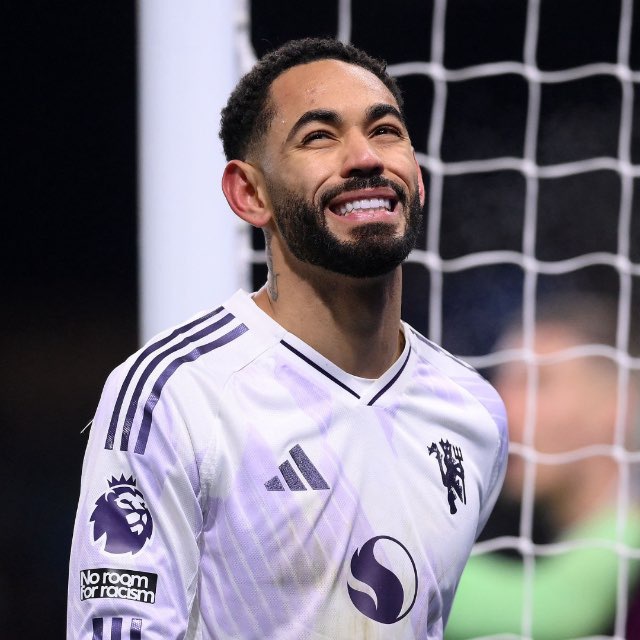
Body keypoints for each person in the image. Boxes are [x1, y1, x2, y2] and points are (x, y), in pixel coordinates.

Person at [67, 38, 508, 639]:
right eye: (319, 137)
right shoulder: (175, 395)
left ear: (418, 177)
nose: (365, 157)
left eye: (385, 131)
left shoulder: (472, 413)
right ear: (250, 194)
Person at [445, 292, 640, 639]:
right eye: (500, 383)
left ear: (620, 404)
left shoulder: (629, 540)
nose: (502, 407)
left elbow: (554, 607)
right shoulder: (522, 537)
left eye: (537, 383)